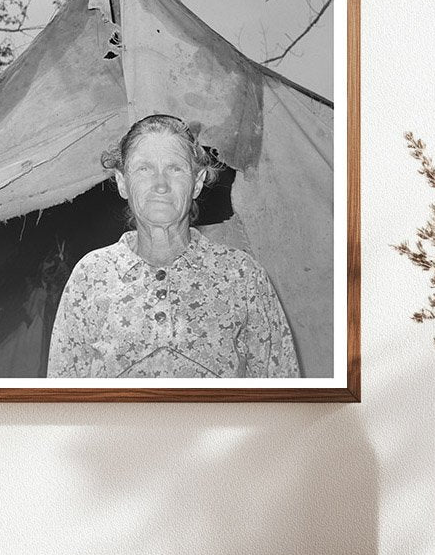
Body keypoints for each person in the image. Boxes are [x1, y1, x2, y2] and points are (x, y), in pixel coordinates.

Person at [46, 114, 299, 379]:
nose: (160, 185)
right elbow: (63, 398)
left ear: (197, 182)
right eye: (144, 169)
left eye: (175, 168)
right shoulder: (91, 276)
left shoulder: (242, 277)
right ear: (122, 182)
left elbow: (282, 392)